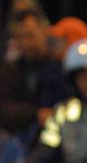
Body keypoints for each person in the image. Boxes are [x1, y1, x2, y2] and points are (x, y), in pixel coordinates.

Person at [0, 9, 68, 149]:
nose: (25, 43)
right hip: (19, 142)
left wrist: (54, 115)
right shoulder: (12, 69)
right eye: (19, 38)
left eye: (30, 36)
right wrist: (35, 113)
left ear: (45, 31)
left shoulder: (61, 65)